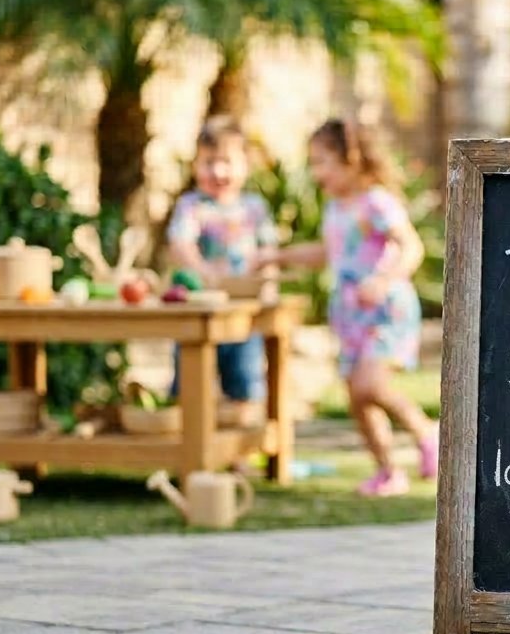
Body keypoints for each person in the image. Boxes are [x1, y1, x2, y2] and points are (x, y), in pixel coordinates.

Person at [256, 118, 438, 497]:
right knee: (357, 398)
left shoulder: (377, 202)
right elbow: (328, 252)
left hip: (384, 312)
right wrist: (279, 256)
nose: (315, 172)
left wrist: (384, 280)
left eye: (321, 162)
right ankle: (388, 471)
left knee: (370, 386)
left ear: (351, 159)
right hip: (350, 317)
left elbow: (411, 246)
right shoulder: (336, 208)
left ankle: (426, 431)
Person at [167, 116, 277, 425]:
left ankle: (241, 443)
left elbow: (268, 252)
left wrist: (268, 285)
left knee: (244, 383)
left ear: (245, 165)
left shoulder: (254, 207)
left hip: (243, 314)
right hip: (197, 313)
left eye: (227, 162)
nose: (218, 171)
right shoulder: (191, 206)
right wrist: (203, 271)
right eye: (208, 162)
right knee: (190, 382)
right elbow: (181, 244)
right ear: (195, 165)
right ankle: (192, 439)